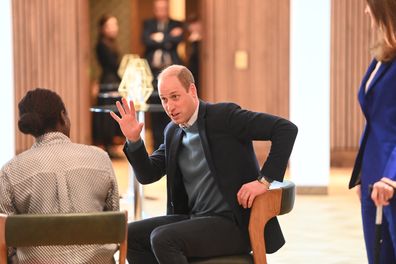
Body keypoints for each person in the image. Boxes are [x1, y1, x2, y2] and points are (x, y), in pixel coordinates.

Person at [110, 65, 297, 264]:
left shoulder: (224, 117)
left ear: (192, 91)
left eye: (175, 97)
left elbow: (285, 129)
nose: (169, 107)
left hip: (234, 223)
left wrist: (264, 180)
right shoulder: (172, 132)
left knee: (163, 239)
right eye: (164, 99)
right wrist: (134, 141)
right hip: (196, 220)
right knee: (132, 235)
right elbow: (147, 175)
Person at [0, 88, 120, 263]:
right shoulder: (99, 158)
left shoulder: (11, 172)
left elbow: (5, 242)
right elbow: (113, 223)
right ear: (63, 116)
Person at [349, 0, 396, 263]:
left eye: (369, 4)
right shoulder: (383, 53)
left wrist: (390, 176)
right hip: (372, 176)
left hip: (390, 179)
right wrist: (365, 173)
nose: (366, 10)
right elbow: (375, 121)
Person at [142, 0, 184, 150]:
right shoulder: (148, 24)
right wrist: (168, 38)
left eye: (164, 8)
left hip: (172, 73)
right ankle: (156, 147)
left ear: (168, 9)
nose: (161, 11)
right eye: (158, 9)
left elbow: (177, 39)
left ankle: (173, 145)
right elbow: (145, 40)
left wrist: (158, 38)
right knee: (155, 109)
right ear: (154, 10)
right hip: (153, 75)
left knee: (173, 108)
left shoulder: (176, 24)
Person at [94, 14, 123, 157]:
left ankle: (111, 145)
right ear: (103, 28)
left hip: (114, 80)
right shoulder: (101, 45)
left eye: (115, 25)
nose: (114, 28)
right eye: (111, 25)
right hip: (108, 81)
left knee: (113, 114)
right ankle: (107, 146)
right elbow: (112, 65)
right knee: (108, 115)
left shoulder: (111, 43)